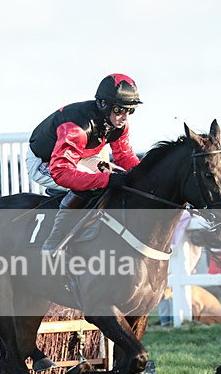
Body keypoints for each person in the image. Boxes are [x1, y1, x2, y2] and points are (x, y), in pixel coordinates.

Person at [28, 73, 142, 253]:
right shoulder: (77, 128)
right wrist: (105, 181)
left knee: (121, 176)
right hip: (47, 161)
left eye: (130, 111)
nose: (124, 117)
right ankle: (54, 242)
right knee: (95, 183)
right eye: (120, 110)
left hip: (79, 156)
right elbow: (62, 173)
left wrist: (142, 176)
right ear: (104, 104)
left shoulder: (119, 125)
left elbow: (124, 156)